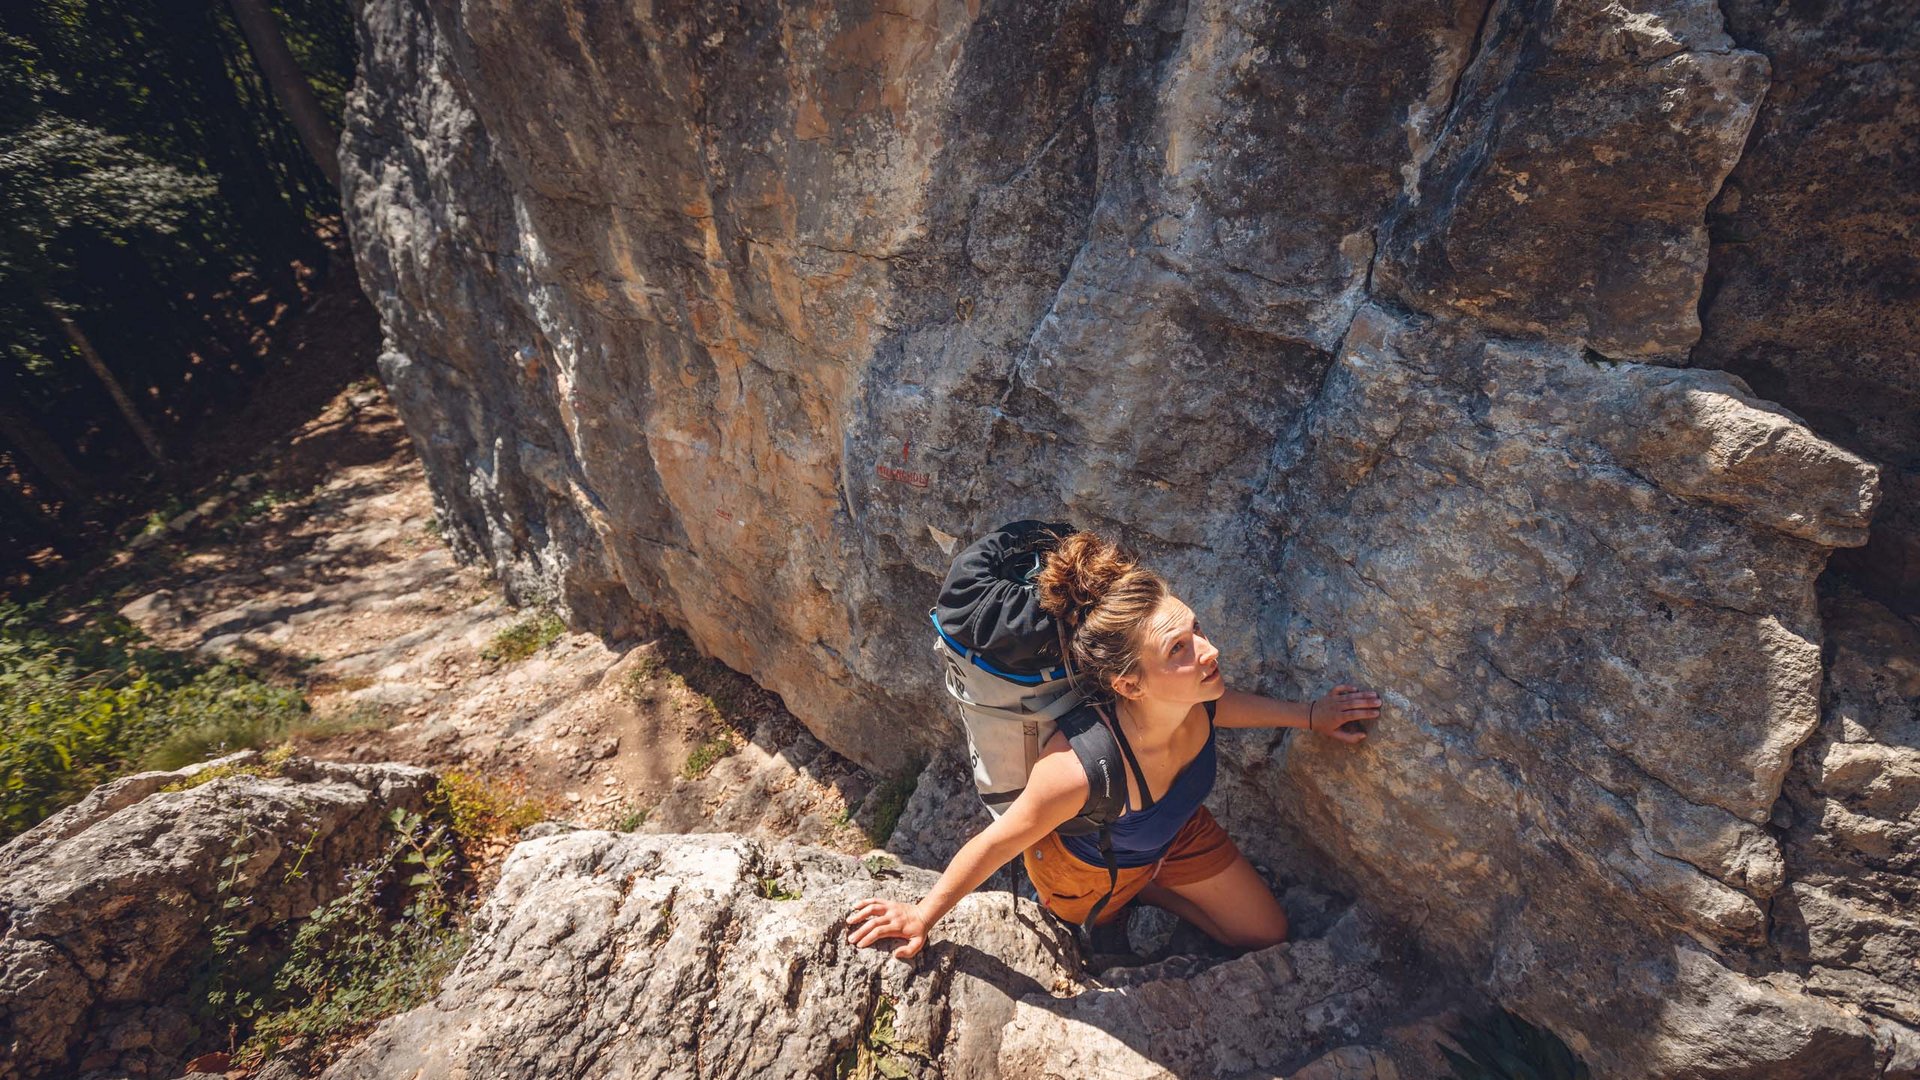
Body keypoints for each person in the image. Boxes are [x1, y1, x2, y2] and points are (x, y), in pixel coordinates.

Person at [845, 529, 1380, 960]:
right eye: (1180, 649)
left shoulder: (1193, 699)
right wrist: (921, 915)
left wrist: (1310, 716)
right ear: (1128, 685)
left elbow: (1223, 707)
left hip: (1174, 831)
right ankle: (1124, 902)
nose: (1210, 650)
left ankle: (1152, 885)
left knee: (1267, 934)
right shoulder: (1078, 768)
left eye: (1196, 629)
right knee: (1128, 910)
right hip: (1091, 870)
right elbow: (999, 843)